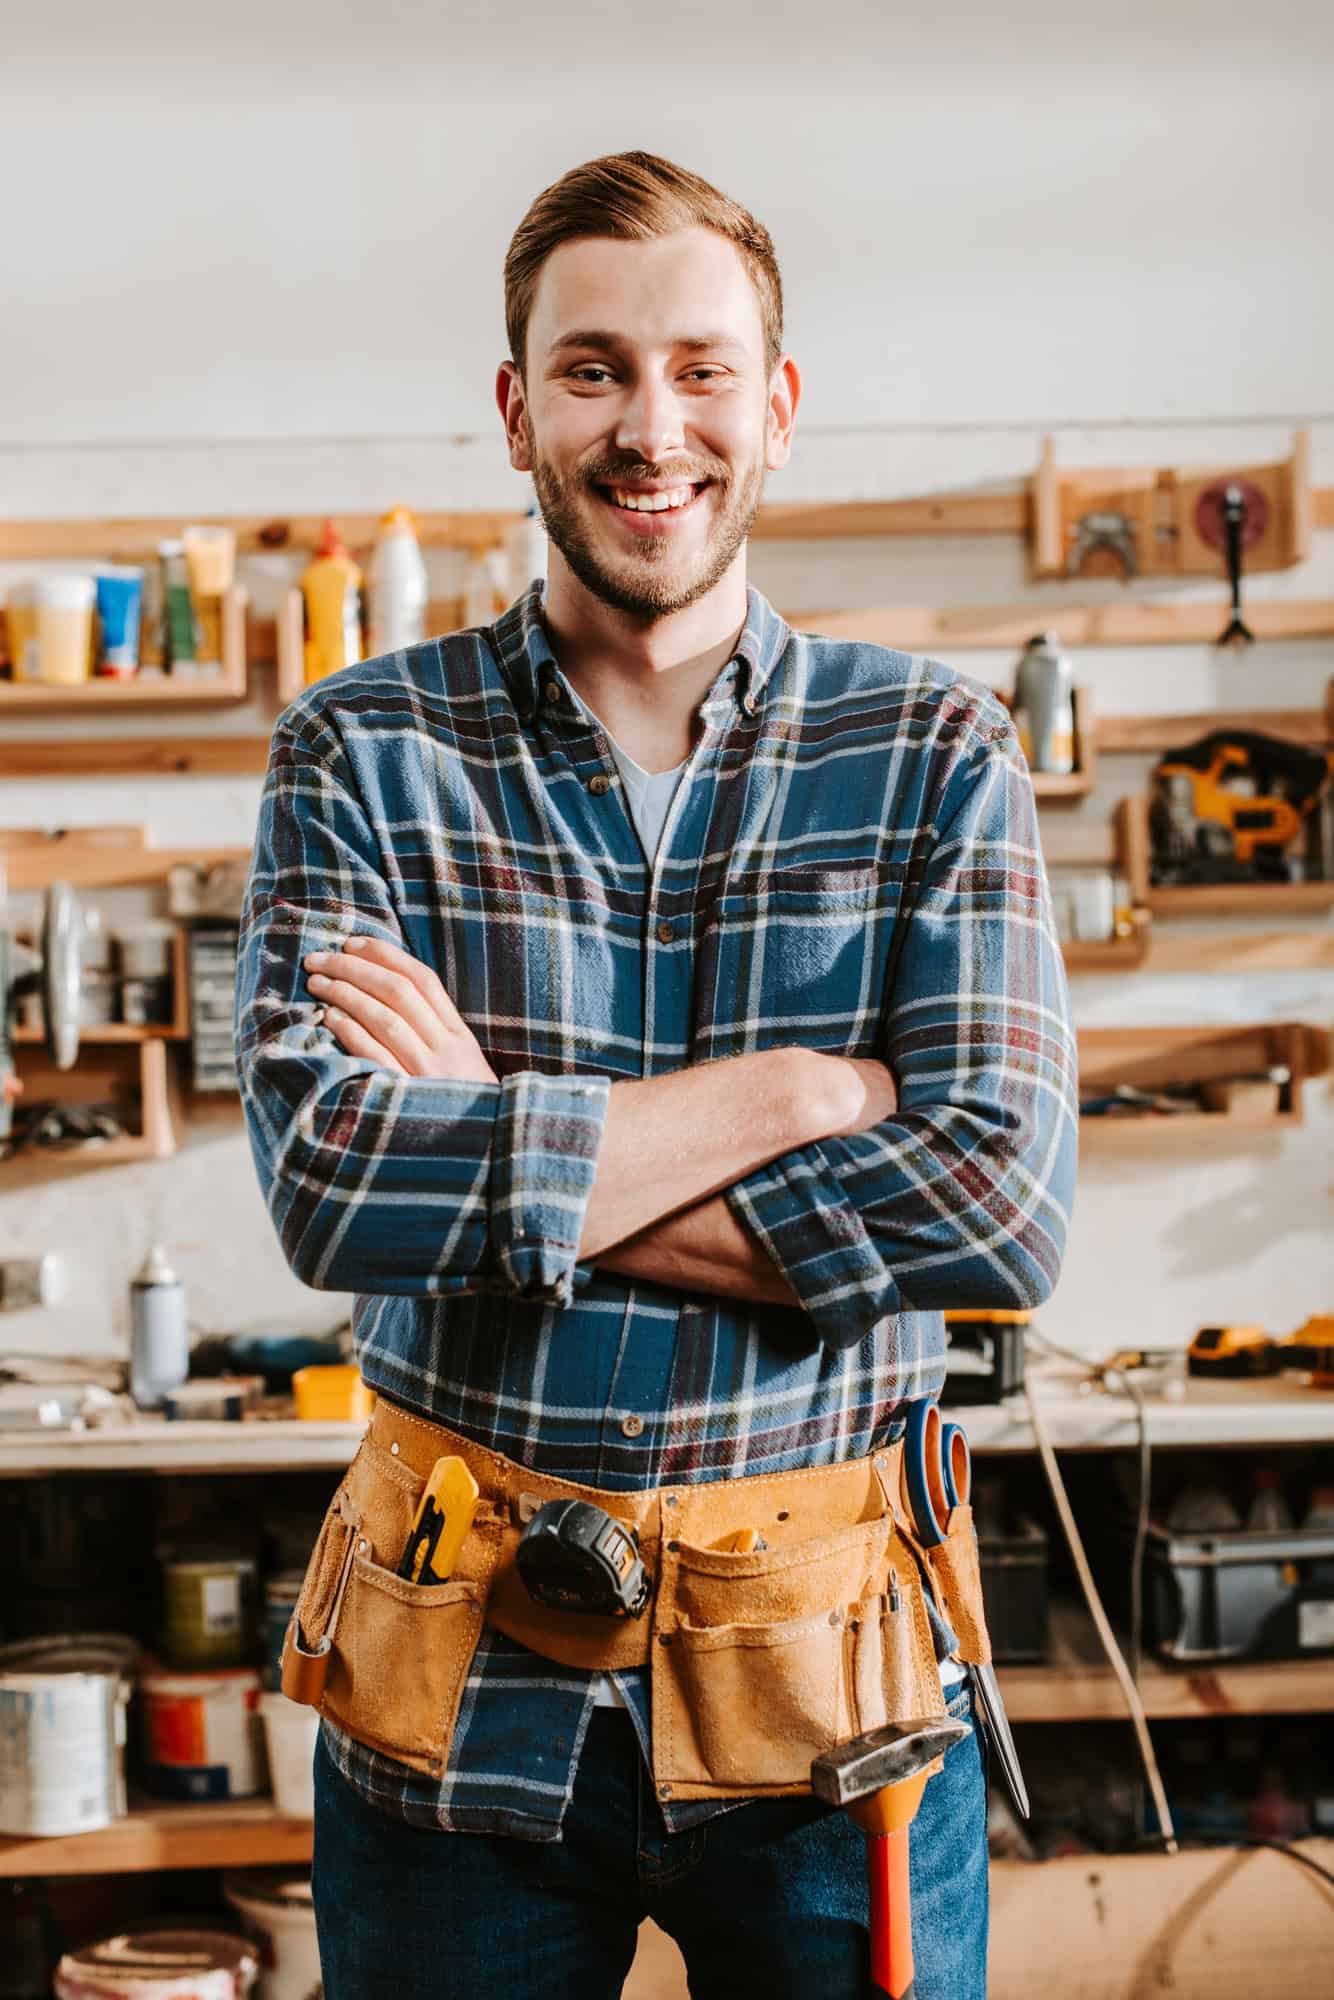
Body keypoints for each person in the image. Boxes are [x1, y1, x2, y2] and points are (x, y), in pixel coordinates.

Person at [236, 150, 1077, 2000]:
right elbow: (336, 1190)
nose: (649, 426)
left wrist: (502, 1136)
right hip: (454, 1683)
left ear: (773, 408)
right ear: (519, 406)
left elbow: (1002, 1219)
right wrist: (802, 1090)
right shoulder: (364, 752)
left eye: (700, 368)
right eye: (596, 368)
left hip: (829, 1682)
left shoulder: (930, 751)